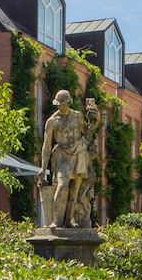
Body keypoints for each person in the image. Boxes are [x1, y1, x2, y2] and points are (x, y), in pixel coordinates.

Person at [39, 90, 100, 228]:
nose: (60, 107)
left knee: (75, 189)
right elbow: (47, 146)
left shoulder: (77, 116)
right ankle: (56, 221)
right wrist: (43, 168)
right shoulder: (52, 121)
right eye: (58, 104)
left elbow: (88, 130)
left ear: (68, 103)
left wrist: (97, 119)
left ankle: (69, 221)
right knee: (62, 185)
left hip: (79, 152)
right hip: (62, 155)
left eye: (63, 104)